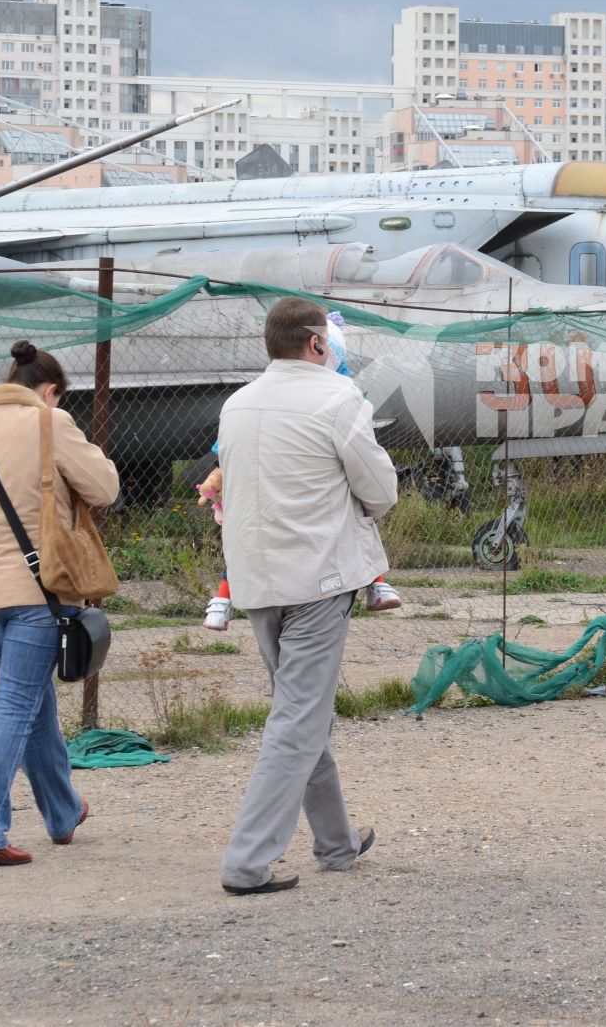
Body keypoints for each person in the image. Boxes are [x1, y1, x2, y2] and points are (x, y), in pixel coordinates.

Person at [217, 298, 398, 895]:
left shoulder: (236, 404)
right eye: (333, 341)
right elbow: (379, 488)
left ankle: (337, 843)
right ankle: (247, 862)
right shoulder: (338, 398)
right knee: (297, 719)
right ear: (317, 345)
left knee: (302, 711)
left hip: (255, 582)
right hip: (318, 580)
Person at [0, 340, 120, 866]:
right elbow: (104, 488)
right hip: (41, 594)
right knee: (16, 707)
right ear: (50, 390)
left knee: (33, 704)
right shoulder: (51, 423)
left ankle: (62, 811)